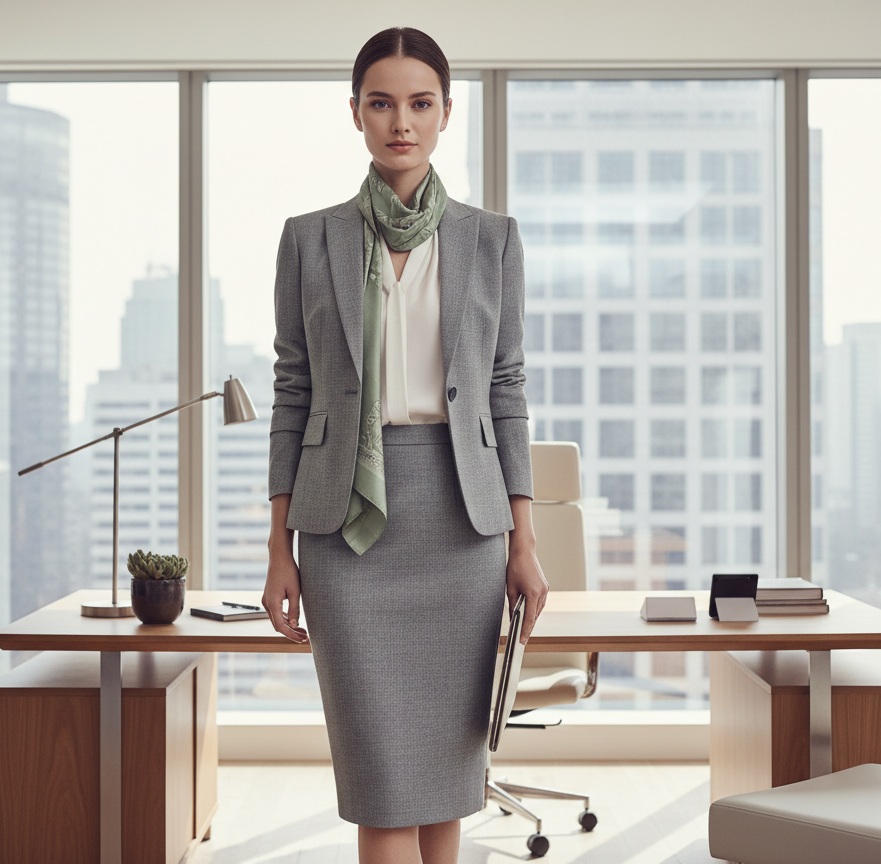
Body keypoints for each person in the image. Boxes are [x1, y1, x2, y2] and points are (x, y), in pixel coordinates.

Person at [262, 26, 548, 864]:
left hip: (462, 519)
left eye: (420, 103)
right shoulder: (308, 238)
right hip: (345, 527)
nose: (401, 122)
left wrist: (523, 542)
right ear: (354, 112)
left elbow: (506, 392)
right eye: (381, 102)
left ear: (447, 113)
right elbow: (293, 393)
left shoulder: (490, 239)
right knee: (382, 773)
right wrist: (279, 551)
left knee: (448, 773)